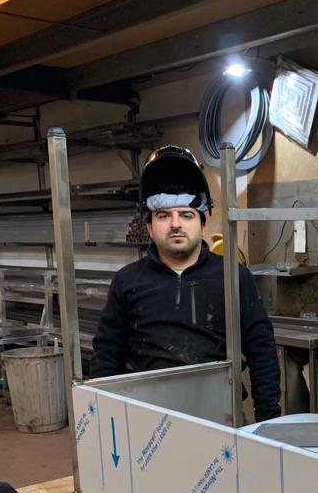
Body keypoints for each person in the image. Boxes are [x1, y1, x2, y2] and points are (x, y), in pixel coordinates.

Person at [91, 145, 281, 422]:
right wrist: (108, 420)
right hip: (148, 418)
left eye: (186, 214)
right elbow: (107, 356)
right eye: (163, 215)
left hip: (222, 416)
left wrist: (268, 420)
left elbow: (261, 350)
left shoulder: (233, 276)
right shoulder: (127, 281)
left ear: (203, 224)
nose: (175, 224)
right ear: (149, 227)